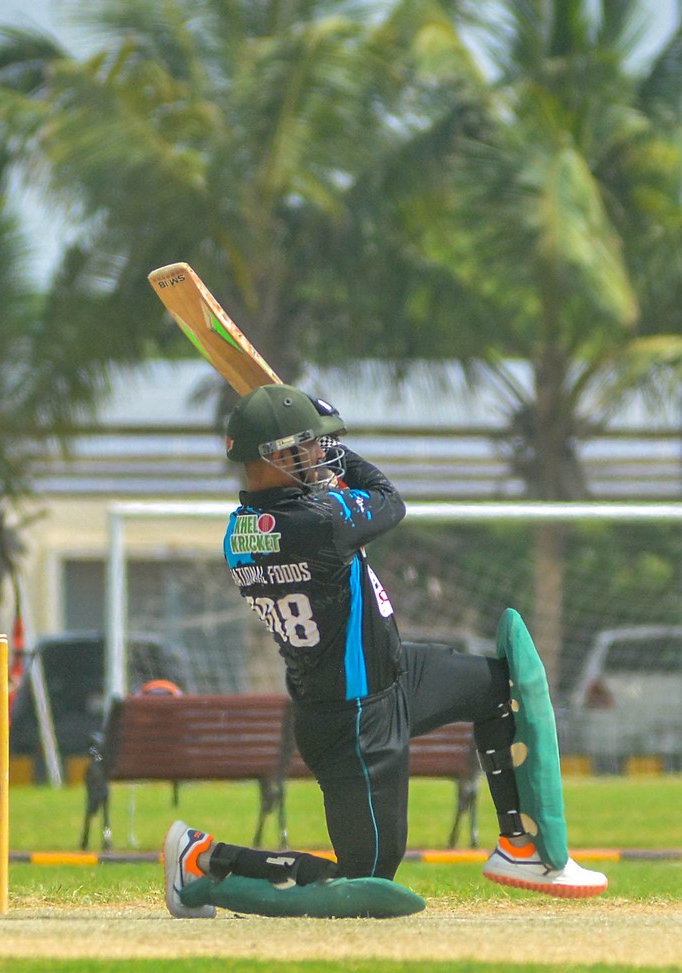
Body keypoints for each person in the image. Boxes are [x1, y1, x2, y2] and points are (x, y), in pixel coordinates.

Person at [163, 383, 607, 919]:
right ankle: (203, 861)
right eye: (309, 446)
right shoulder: (319, 522)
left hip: (395, 675)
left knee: (499, 688)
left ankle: (522, 846)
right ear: (276, 456)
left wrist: (312, 449)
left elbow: (319, 509)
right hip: (352, 718)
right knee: (366, 880)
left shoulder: (241, 531)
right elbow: (388, 500)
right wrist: (343, 454)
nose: (321, 455)